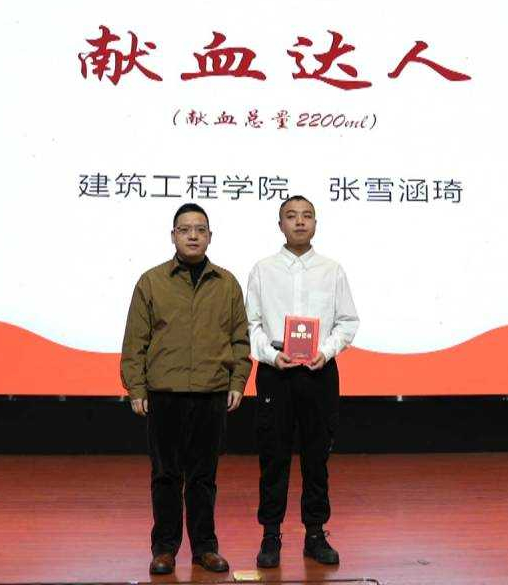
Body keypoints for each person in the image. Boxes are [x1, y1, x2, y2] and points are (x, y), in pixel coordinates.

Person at [121, 203, 251, 576]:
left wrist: (238, 380)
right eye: (185, 229)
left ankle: (205, 549)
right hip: (164, 393)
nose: (193, 235)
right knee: (165, 476)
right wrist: (136, 387)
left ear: (210, 236)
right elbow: (135, 341)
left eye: (200, 229)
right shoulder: (151, 281)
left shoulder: (226, 283)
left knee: (203, 477)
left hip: (211, 392)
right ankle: (164, 549)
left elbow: (239, 339)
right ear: (173, 236)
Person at [245, 195, 360, 568]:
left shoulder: (332, 270)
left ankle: (315, 534)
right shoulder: (263, 269)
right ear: (279, 224)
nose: (299, 222)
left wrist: (325, 351)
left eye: (307, 216)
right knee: (273, 457)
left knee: (316, 458)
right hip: (276, 371)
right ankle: (270, 535)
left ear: (315, 224)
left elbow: (347, 321)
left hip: (318, 371)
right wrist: (269, 354)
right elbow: (251, 324)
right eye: (291, 216)